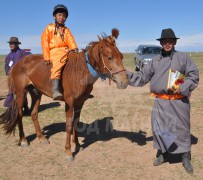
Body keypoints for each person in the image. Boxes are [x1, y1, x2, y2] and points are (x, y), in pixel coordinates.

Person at [126, 28, 199, 174]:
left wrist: (184, 86)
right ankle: (163, 154)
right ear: (161, 43)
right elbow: (142, 77)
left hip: (179, 101)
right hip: (160, 101)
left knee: (182, 129)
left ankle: (185, 156)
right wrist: (124, 74)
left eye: (170, 41)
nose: (167, 44)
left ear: (174, 42)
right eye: (164, 41)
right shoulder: (155, 60)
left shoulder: (183, 58)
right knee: (160, 129)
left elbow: (194, 74)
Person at [41, 4, 78, 100]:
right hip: (55, 51)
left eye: (64, 16)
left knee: (77, 61)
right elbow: (44, 42)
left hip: (66, 51)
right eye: (60, 15)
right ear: (55, 16)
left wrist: (74, 49)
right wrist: (46, 57)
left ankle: (79, 88)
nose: (62, 17)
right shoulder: (49, 28)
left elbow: (71, 41)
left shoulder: (66, 30)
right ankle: (55, 90)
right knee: (58, 62)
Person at [4, 37, 30, 114]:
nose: (11, 45)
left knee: (22, 92)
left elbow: (27, 63)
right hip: (11, 77)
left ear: (17, 44)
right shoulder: (8, 56)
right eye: (10, 43)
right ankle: (12, 108)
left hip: (21, 77)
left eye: (12, 43)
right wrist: (8, 73)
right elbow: (6, 65)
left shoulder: (22, 53)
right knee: (11, 92)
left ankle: (25, 108)